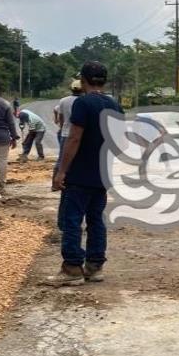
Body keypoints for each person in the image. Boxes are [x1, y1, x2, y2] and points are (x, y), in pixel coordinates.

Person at [50, 61, 123, 286]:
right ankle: (95, 266)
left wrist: (62, 171)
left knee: (72, 220)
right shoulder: (114, 105)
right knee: (95, 220)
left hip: (79, 174)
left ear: (83, 80)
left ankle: (72, 267)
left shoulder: (82, 104)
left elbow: (74, 138)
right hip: (101, 174)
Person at [52, 78, 83, 177]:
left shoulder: (63, 100)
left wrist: (62, 128)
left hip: (65, 133)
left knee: (62, 158)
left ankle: (55, 181)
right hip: (79, 134)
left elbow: (60, 117)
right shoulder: (83, 101)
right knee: (78, 159)